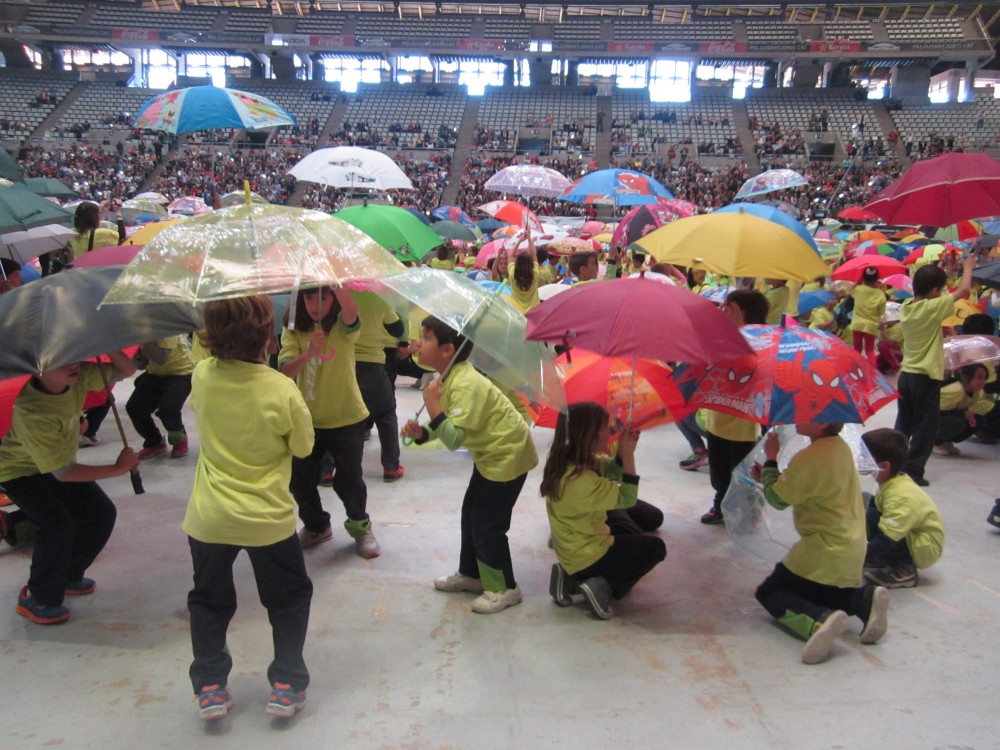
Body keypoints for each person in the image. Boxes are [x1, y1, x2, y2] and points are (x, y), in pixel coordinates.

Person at [183, 296, 315, 721]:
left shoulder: (202, 375)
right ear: (267, 339)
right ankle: (286, 684)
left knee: (209, 601)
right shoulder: (280, 388)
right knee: (289, 598)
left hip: (209, 517)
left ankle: (209, 686)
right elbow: (303, 446)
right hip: (266, 519)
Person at [401, 317, 538, 614]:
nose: (418, 342)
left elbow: (454, 439)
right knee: (471, 513)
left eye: (426, 337)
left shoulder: (465, 385)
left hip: (507, 456)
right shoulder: (449, 377)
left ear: (447, 350)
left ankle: (504, 588)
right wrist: (423, 433)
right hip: (490, 454)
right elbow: (450, 424)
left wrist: (433, 404)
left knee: (487, 524)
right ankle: (472, 574)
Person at [0, 352, 138, 624]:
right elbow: (64, 473)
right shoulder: (32, 410)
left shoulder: (79, 375)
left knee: (101, 513)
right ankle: (39, 597)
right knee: (58, 525)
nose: (72, 364)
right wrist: (117, 468)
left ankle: (67, 575)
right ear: (36, 368)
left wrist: (108, 345)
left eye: (71, 354)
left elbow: (126, 370)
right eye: (59, 361)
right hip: (18, 471)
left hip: (51, 464)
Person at [751, 424, 890, 664]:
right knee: (813, 590)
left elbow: (779, 499)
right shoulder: (840, 447)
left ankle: (818, 621)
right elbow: (810, 483)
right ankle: (861, 600)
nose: (796, 415)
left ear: (822, 421)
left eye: (805, 409)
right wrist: (769, 476)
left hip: (823, 546)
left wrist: (771, 459)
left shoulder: (808, 458)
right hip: (851, 542)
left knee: (771, 591)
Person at [279, 287, 380, 559]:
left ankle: (360, 528)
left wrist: (335, 281)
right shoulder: (293, 328)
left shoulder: (342, 326)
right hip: (307, 420)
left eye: (324, 297)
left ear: (334, 298)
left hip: (347, 417)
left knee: (349, 481)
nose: (316, 304)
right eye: (309, 297)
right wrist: (309, 352)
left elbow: (351, 310)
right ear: (300, 298)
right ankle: (317, 526)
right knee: (299, 481)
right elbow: (285, 371)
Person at [542, 403, 666, 620]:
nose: (609, 431)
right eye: (604, 427)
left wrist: (624, 452)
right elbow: (627, 498)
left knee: (636, 528)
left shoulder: (568, 463)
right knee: (655, 548)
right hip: (590, 555)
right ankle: (601, 586)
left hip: (572, 552)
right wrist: (628, 457)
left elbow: (609, 468)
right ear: (588, 435)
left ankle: (570, 578)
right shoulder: (581, 481)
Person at [894, 256, 975, 486]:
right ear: (934, 292)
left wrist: (943, 270)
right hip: (925, 376)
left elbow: (932, 287)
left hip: (907, 375)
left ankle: (895, 463)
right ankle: (913, 470)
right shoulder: (932, 307)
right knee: (925, 427)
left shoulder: (907, 307)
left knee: (904, 423)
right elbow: (964, 289)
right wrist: (968, 267)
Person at [700, 290, 766, 524]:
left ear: (744, 313)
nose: (722, 311)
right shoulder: (720, 338)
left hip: (742, 425)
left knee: (741, 473)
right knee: (718, 474)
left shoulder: (760, 342)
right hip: (716, 418)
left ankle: (749, 509)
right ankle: (721, 503)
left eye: (728, 308)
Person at [861, 428, 944, 589]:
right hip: (910, 534)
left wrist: (854, 556)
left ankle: (904, 569)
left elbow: (886, 538)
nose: (859, 459)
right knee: (862, 503)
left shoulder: (901, 496)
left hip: (922, 548)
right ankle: (883, 557)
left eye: (865, 457)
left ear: (884, 466)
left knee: (870, 518)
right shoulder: (891, 482)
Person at [349, 291, 405, 482]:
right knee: (386, 414)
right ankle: (390, 467)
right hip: (373, 364)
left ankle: (328, 470)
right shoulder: (379, 298)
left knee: (342, 418)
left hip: (345, 364)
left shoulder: (341, 295)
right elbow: (397, 329)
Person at [125, 336, 195, 460]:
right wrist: (135, 352)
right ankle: (154, 442)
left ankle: (179, 439)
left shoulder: (167, 329)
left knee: (168, 410)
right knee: (135, 407)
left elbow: (161, 358)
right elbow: (141, 365)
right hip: (155, 374)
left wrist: (141, 343)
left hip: (181, 373)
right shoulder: (138, 332)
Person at [934, 363, 995, 454]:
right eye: (979, 377)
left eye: (984, 378)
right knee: (956, 423)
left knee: (978, 420)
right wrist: (962, 414)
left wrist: (965, 413)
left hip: (948, 414)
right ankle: (934, 442)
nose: (983, 381)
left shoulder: (976, 391)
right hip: (929, 418)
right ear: (965, 378)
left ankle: (945, 440)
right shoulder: (955, 390)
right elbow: (934, 411)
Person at [849, 267, 886, 368]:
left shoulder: (858, 289)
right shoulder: (880, 294)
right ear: (876, 279)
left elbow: (850, 291)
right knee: (869, 350)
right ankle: (873, 372)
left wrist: (859, 280)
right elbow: (882, 311)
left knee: (857, 349)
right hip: (871, 326)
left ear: (863, 278)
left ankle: (854, 369)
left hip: (857, 324)